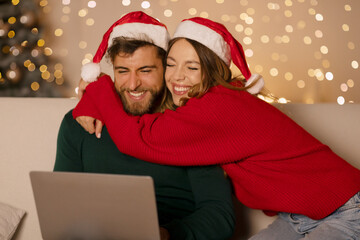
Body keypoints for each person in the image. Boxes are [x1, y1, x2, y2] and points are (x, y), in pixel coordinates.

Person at [74, 16, 360, 239]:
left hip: (348, 211)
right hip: (300, 216)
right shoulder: (210, 102)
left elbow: (137, 139)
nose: (177, 77)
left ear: (212, 71)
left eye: (192, 67)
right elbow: (147, 120)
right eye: (171, 65)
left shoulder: (220, 107)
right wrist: (92, 102)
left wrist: (99, 89)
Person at [54, 12, 236, 240]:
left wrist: (166, 234)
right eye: (123, 71)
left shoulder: (191, 126)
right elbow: (61, 208)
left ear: (166, 69)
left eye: (145, 71)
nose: (133, 84)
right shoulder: (80, 123)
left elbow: (219, 216)